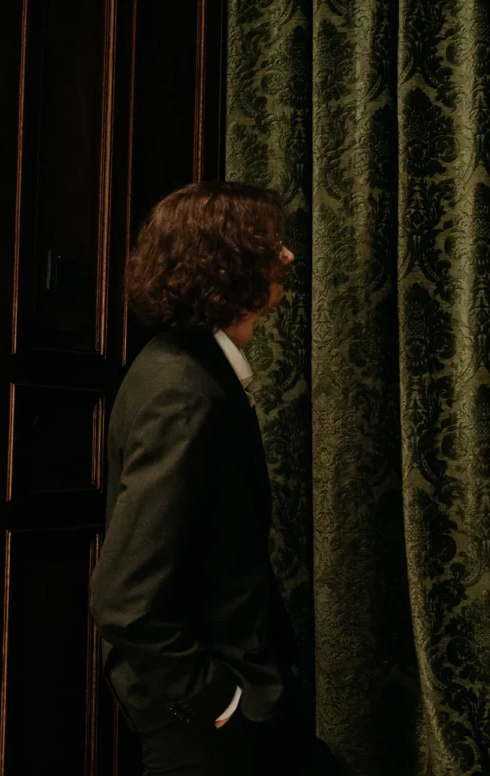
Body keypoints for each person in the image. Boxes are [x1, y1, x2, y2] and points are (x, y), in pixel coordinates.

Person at [90, 182, 334, 775]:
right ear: (224, 264)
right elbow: (123, 599)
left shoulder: (191, 369)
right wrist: (219, 703)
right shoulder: (182, 390)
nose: (287, 256)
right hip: (208, 730)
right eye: (269, 244)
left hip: (247, 703)